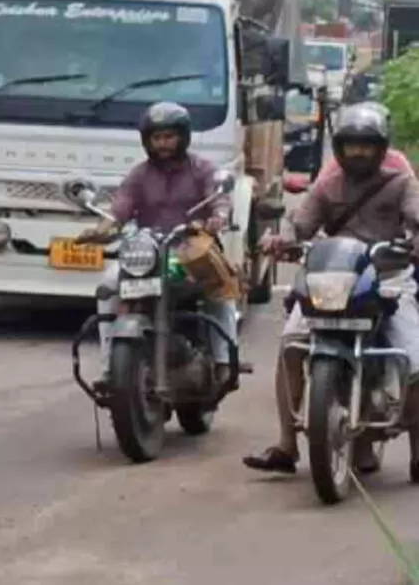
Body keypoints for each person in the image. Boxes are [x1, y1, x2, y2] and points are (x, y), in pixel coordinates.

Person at [244, 103, 419, 477]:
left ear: (381, 147)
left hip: (388, 278)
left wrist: (415, 238)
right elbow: (301, 222)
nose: (358, 153)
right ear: (339, 147)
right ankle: (287, 445)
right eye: (351, 145)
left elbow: (417, 214)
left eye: (366, 146)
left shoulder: (401, 182)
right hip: (336, 277)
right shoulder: (328, 184)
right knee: (292, 344)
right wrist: (283, 239)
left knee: (414, 358)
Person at [86, 102, 237, 388]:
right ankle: (109, 367)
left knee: (219, 288)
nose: (163, 144)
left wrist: (218, 216)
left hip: (190, 251)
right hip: (149, 253)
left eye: (169, 137)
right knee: (107, 286)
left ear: (183, 136)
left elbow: (218, 198)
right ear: (147, 141)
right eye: (157, 138)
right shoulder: (139, 174)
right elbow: (120, 208)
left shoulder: (202, 169)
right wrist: (102, 229)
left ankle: (223, 361)